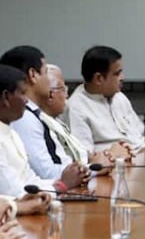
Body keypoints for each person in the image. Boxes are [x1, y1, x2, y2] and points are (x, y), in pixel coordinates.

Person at [1, 47, 88, 186]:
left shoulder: (23, 123)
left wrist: (86, 169)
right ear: (33, 75)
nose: (25, 100)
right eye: (46, 72)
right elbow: (16, 189)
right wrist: (62, 185)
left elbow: (30, 179)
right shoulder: (24, 120)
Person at [66, 45, 145, 154]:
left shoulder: (119, 97)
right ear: (98, 78)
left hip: (142, 160)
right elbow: (84, 156)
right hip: (117, 167)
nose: (122, 78)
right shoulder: (76, 108)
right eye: (117, 74)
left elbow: (138, 136)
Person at [0, 64, 53, 215]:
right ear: (6, 97)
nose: (26, 101)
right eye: (23, 94)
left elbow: (30, 180)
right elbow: (12, 192)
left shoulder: (11, 132)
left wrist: (59, 187)